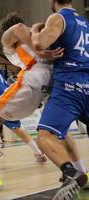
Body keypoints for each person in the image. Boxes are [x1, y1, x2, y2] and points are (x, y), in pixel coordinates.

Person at [0, 13, 64, 197]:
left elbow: (19, 28)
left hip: (30, 83)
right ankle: (79, 170)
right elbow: (32, 28)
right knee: (57, 133)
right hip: (50, 86)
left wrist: (39, 51)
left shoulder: (10, 39)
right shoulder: (40, 34)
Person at [31, 0, 89, 198]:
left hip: (68, 87)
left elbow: (39, 43)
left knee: (45, 137)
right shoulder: (86, 23)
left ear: (53, 2)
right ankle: (82, 176)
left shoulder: (59, 17)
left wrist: (35, 31)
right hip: (88, 84)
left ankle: (70, 173)